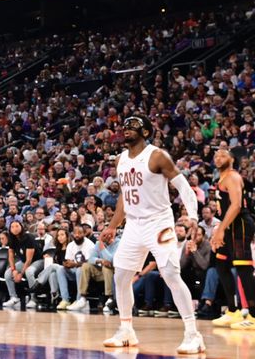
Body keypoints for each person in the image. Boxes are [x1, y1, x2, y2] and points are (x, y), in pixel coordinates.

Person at [99, 115, 204, 354]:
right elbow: (125, 196)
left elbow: (184, 187)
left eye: (134, 125)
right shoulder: (121, 159)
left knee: (170, 273)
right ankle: (126, 331)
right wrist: (114, 225)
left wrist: (194, 217)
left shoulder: (157, 156)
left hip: (159, 223)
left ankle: (193, 334)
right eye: (125, 125)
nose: (127, 128)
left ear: (146, 132)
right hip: (134, 225)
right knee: (121, 276)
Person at [209, 148, 255, 330]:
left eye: (223, 155)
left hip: (241, 224)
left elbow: (236, 206)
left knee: (243, 269)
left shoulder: (233, 176)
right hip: (228, 226)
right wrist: (218, 230)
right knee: (220, 264)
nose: (218, 158)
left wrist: (220, 229)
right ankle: (233, 310)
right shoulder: (219, 178)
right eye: (216, 155)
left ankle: (252, 314)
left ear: (232, 159)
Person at [2, 220, 44, 309]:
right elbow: (11, 256)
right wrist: (13, 270)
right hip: (24, 261)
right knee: (8, 273)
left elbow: (29, 260)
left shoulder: (29, 238)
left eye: (17, 226)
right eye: (12, 227)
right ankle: (13, 297)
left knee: (29, 272)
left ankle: (33, 298)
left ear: (21, 227)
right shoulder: (12, 239)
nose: (15, 229)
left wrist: (20, 274)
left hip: (38, 260)